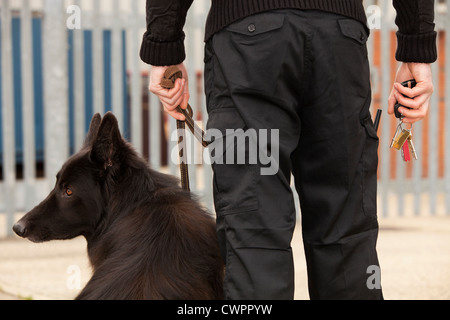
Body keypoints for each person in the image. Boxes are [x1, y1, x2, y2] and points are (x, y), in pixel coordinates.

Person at [140, 0, 436, 300]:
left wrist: (164, 47)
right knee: (345, 229)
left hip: (247, 41)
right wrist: (416, 49)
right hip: (338, 36)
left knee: (254, 225)